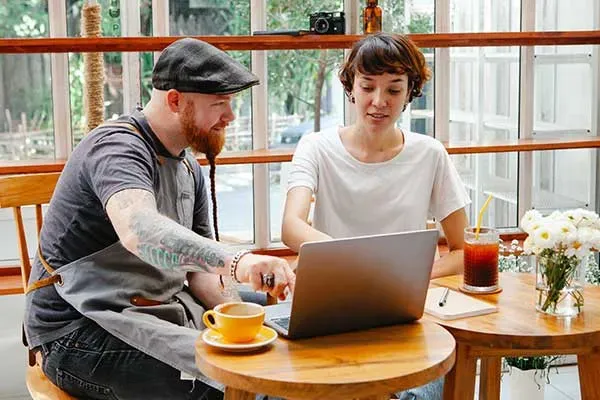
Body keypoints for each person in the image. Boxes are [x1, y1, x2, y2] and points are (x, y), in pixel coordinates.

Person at [24, 37, 295, 400]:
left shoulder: (188, 167)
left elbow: (200, 273)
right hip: (77, 329)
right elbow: (140, 230)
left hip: (155, 306)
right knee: (229, 379)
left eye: (231, 103)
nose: (230, 116)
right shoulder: (117, 147)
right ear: (174, 100)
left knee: (289, 326)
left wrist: (237, 316)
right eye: (220, 104)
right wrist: (238, 261)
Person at [281, 33, 470, 399]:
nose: (379, 102)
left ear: (411, 91)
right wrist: (360, 264)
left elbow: (462, 251)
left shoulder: (430, 154)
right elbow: (292, 227)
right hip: (331, 313)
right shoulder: (316, 147)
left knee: (415, 394)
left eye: (394, 90)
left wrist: (404, 279)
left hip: (406, 319)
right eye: (367, 87)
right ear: (350, 86)